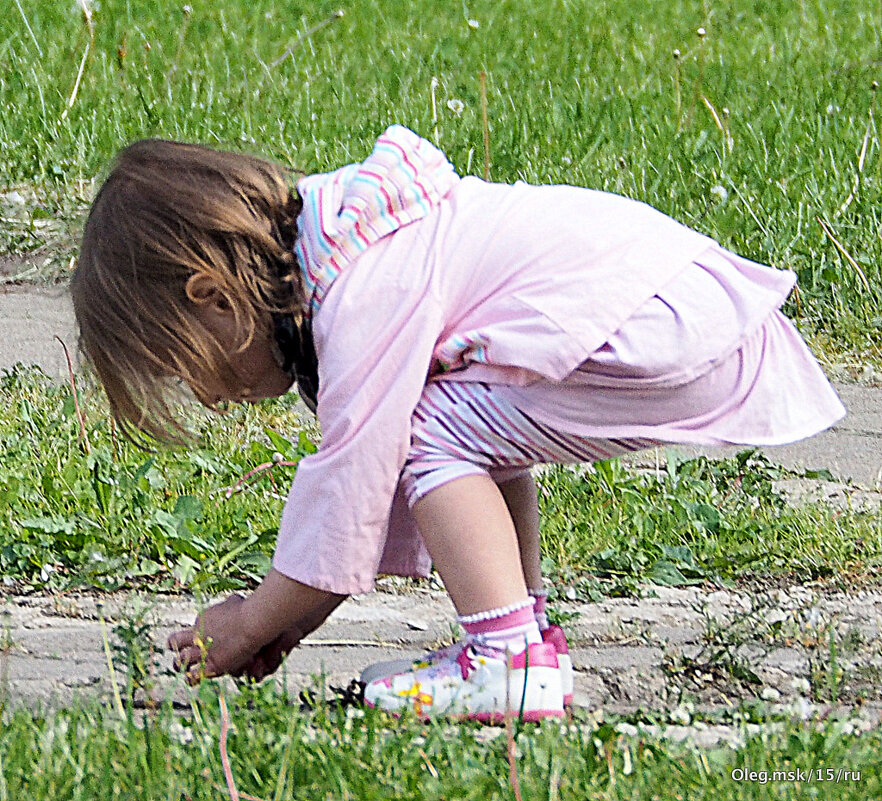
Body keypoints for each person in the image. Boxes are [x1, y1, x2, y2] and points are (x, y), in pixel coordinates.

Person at [71, 125, 845, 721]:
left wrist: (251, 620)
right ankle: (524, 643)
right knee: (459, 416)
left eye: (184, 366)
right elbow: (359, 512)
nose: (205, 397)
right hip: (681, 311)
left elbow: (355, 485)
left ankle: (506, 658)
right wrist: (288, 624)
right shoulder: (339, 245)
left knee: (427, 427)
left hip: (667, 327)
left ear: (211, 294)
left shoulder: (359, 289)